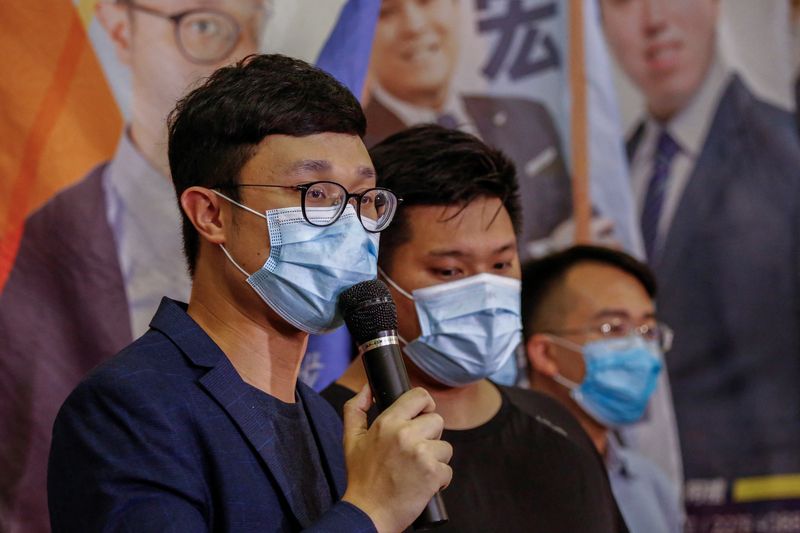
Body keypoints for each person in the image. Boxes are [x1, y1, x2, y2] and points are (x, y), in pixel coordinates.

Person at [48, 54, 453, 533]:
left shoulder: (332, 426)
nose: (350, 222)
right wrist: (372, 513)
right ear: (212, 215)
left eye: (364, 198)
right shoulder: (129, 407)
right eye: (315, 192)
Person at [321, 124, 629, 533]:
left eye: (501, 264)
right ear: (374, 273)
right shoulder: (323, 433)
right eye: (449, 270)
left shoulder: (557, 428)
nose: (484, 290)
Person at [601, 0, 800, 481]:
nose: (653, 21)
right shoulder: (610, 177)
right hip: (642, 483)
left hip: (767, 490)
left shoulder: (787, 154)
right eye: (624, 3)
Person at [364, 0, 571, 247]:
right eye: (385, 13)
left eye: (426, 2)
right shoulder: (359, 151)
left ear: (456, 8)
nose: (414, 26)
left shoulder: (528, 115)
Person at [521, 245, 684, 533]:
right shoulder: (493, 473)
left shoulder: (650, 486)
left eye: (647, 331)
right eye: (612, 328)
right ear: (545, 353)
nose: (639, 350)